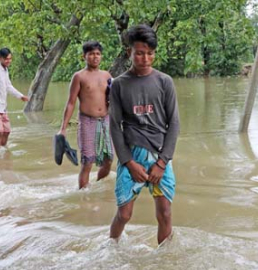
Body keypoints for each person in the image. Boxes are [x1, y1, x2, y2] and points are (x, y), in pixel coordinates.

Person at [109, 24, 180, 245]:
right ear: (129, 52)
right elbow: (114, 126)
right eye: (139, 53)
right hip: (132, 156)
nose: (145, 58)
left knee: (165, 213)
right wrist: (129, 162)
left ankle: (164, 260)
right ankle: (111, 249)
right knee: (124, 214)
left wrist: (162, 163)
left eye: (150, 53)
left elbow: (174, 124)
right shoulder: (119, 84)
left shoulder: (164, 82)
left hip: (160, 156)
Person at [58, 41, 114, 189]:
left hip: (106, 121)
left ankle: (96, 186)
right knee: (87, 161)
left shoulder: (107, 75)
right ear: (84, 56)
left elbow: (113, 98)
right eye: (91, 54)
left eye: (98, 54)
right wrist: (63, 128)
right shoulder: (79, 77)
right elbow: (70, 103)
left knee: (109, 160)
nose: (95, 57)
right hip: (87, 121)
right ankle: (83, 195)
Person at [0, 48, 29, 149]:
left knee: (7, 131)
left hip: (2, 107)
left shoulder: (5, 70)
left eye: (10, 59)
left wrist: (20, 96)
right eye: (6, 59)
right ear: (0, 59)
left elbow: (8, 86)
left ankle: (2, 151)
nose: (9, 61)